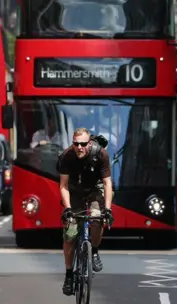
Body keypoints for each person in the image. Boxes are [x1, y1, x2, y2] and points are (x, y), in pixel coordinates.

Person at [58, 127, 114, 296]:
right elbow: (63, 185)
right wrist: (67, 208)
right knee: (69, 234)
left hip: (94, 189)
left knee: (97, 218)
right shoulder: (67, 156)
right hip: (74, 191)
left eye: (83, 144)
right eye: (76, 144)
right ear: (73, 144)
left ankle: (94, 251)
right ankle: (69, 275)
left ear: (89, 144)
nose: (79, 147)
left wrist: (108, 210)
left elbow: (107, 184)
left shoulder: (101, 154)